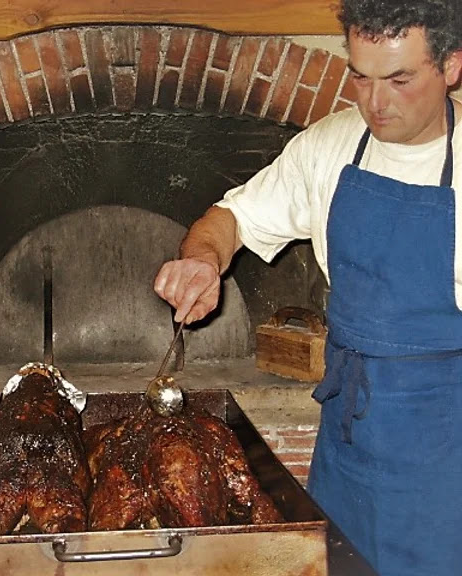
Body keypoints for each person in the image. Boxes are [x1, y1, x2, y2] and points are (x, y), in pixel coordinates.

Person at [153, 1, 462, 575]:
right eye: (360, 77)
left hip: (444, 453)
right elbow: (232, 218)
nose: (375, 102)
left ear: (451, 66)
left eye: (399, 80)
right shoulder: (332, 144)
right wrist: (202, 259)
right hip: (347, 434)